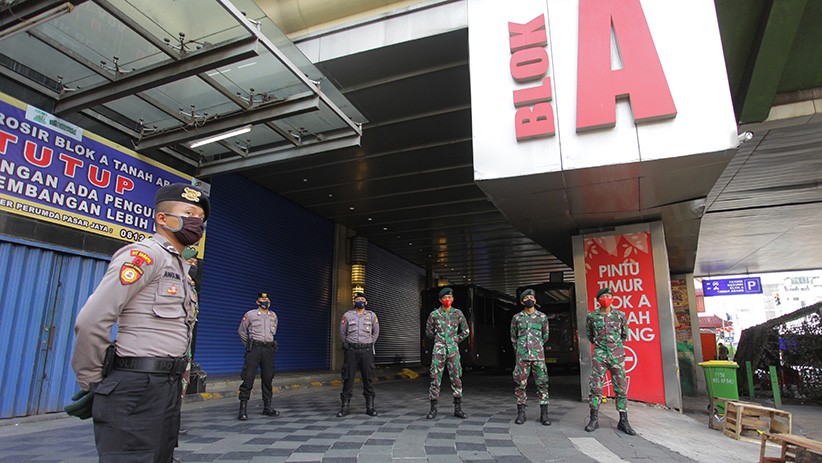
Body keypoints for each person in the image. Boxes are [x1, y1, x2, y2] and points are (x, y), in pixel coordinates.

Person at [69, 183, 209, 462]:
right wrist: (93, 381)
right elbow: (92, 320)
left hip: (165, 387)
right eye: (189, 213)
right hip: (136, 385)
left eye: (201, 218)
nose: (197, 222)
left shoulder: (180, 267)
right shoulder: (145, 256)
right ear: (162, 218)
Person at [584, 287, 636, 435]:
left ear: (612, 299)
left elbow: (624, 335)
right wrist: (601, 347)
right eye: (603, 296)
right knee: (596, 387)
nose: (606, 299)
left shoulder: (620, 315)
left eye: (608, 296)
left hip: (617, 356)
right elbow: (590, 335)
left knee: (621, 388)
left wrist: (615, 347)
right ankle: (594, 419)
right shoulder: (592, 316)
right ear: (598, 300)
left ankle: (623, 421)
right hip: (600, 355)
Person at [425, 287, 470, 419]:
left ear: (453, 299)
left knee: (456, 377)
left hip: (453, 351)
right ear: (440, 300)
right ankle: (433, 409)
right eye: (445, 298)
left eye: (449, 297)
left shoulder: (458, 313)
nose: (447, 300)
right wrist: (439, 340)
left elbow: (466, 331)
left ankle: (458, 408)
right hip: (438, 350)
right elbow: (428, 333)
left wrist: (455, 339)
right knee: (435, 378)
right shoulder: (434, 315)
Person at [510, 289, 551, 425]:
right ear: (522, 302)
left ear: (535, 300)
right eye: (526, 298)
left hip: (538, 356)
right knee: (520, 385)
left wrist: (536, 347)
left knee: (542, 384)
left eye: (532, 297)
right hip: (522, 356)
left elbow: (545, 336)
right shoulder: (517, 318)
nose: (530, 299)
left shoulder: (542, 317)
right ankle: (521, 414)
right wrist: (520, 350)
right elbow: (513, 337)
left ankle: (544, 415)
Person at [336, 292, 380, 417]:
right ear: (354, 301)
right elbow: (342, 332)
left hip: (366, 351)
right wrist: (346, 343)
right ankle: (345, 407)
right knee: (348, 378)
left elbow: (376, 332)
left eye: (362, 299)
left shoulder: (371, 315)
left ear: (366, 302)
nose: (360, 301)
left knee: (368, 378)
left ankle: (370, 407)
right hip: (351, 351)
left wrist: (369, 342)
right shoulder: (347, 315)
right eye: (358, 299)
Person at [237, 292, 279, 420]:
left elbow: (273, 332)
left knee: (268, 378)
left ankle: (267, 407)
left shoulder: (273, 316)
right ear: (257, 301)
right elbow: (241, 331)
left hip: (268, 350)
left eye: (267, 299)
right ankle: (243, 409)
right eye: (263, 299)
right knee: (248, 377)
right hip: (254, 349)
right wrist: (249, 345)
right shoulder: (250, 314)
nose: (265, 301)